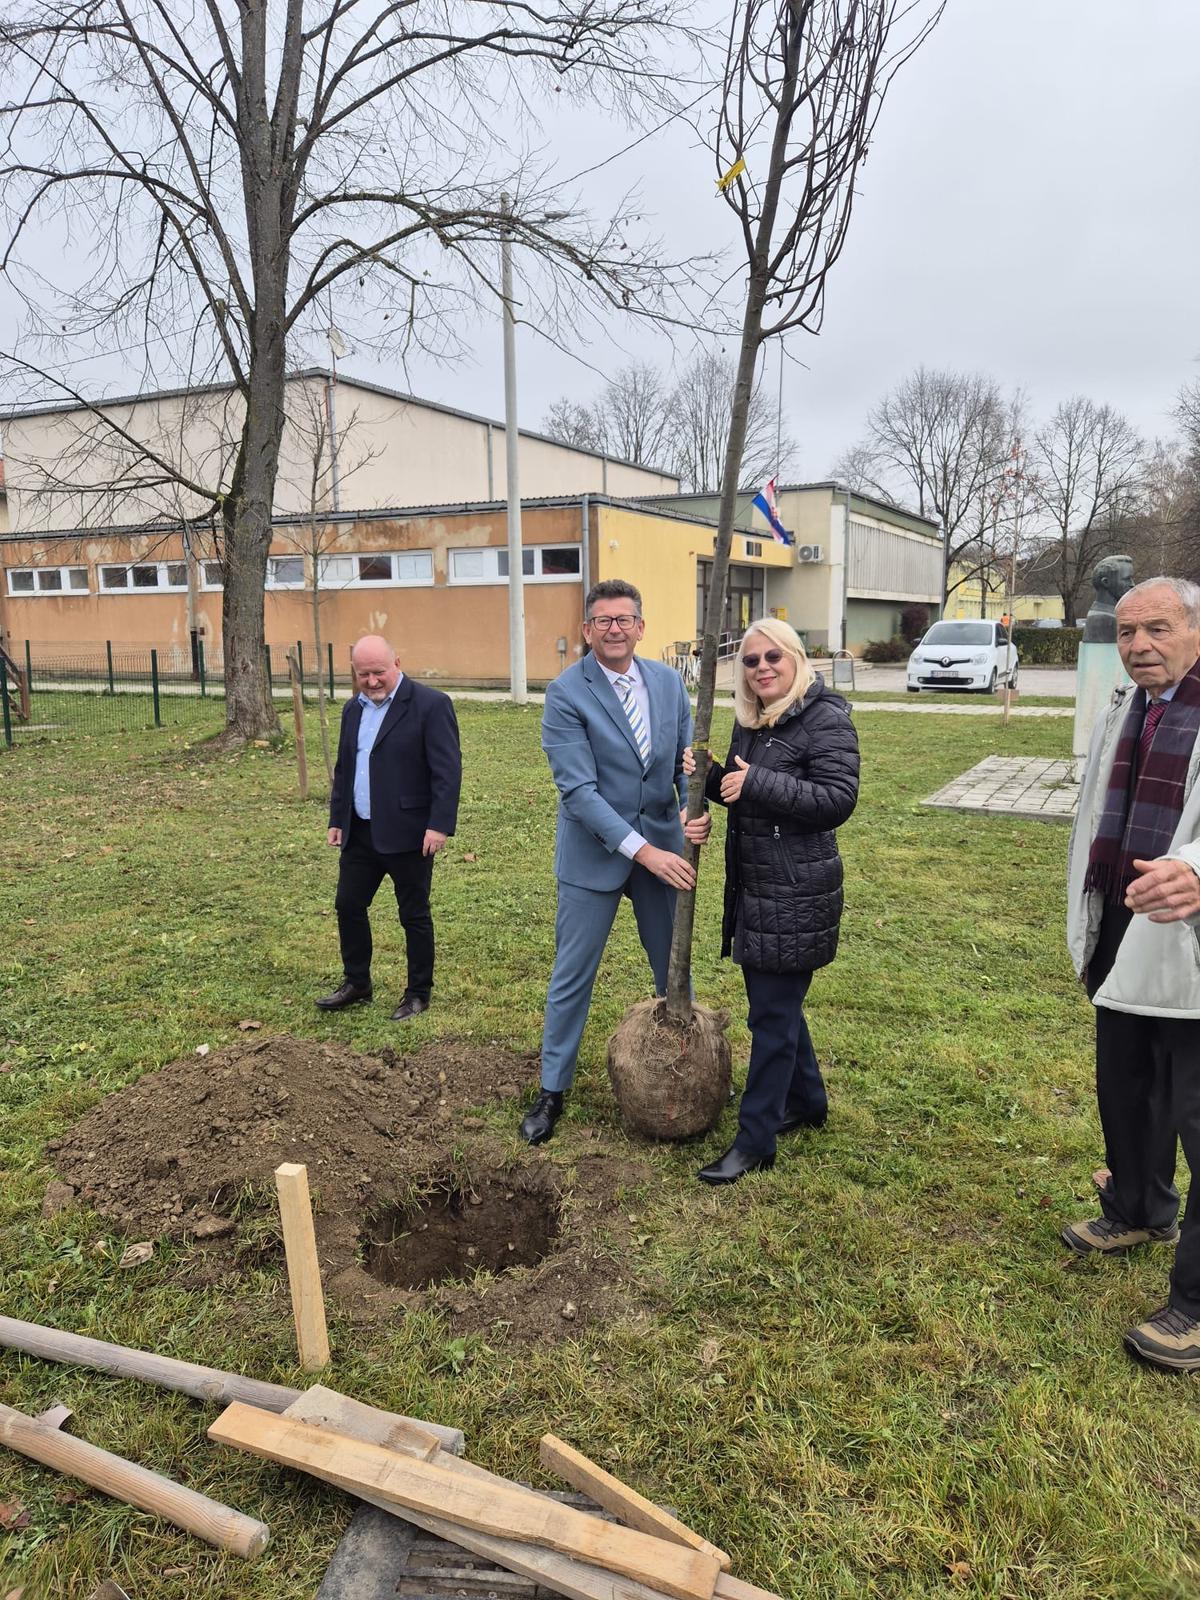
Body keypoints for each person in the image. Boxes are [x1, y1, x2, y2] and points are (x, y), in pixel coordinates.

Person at [1064, 575, 1200, 1372]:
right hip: (1127, 924)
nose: (1139, 645)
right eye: (1126, 632)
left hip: (1191, 938)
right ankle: (1140, 1208)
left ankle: (1194, 1307)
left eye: (1159, 629)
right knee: (1125, 1083)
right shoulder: (1132, 703)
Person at [520, 579, 711, 1145]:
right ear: (587, 630)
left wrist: (686, 810)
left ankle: (691, 1069)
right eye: (603, 621)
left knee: (672, 967)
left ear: (641, 626)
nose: (615, 629)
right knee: (572, 976)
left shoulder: (669, 682)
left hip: (662, 846)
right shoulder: (565, 694)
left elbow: (679, 767)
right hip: (594, 857)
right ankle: (553, 1089)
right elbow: (578, 793)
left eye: (625, 619)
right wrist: (644, 851)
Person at [685, 618, 859, 1185]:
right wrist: (710, 778)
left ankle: (755, 1139)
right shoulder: (753, 722)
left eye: (773, 658)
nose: (762, 668)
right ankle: (806, 1101)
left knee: (770, 1015)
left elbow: (837, 799)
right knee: (777, 1006)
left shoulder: (824, 718)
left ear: (796, 659)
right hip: (757, 887)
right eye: (752, 661)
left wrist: (754, 782)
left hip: (795, 891)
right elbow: (743, 788)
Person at [318, 634, 462, 1021]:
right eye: (363, 674)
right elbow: (345, 769)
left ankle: (417, 993)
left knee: (413, 914)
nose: (372, 681)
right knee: (348, 905)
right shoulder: (353, 710)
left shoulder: (431, 706)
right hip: (361, 831)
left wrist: (439, 825)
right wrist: (337, 818)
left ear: (397, 662)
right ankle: (357, 982)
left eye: (378, 672)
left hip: (411, 833)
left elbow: (447, 772)